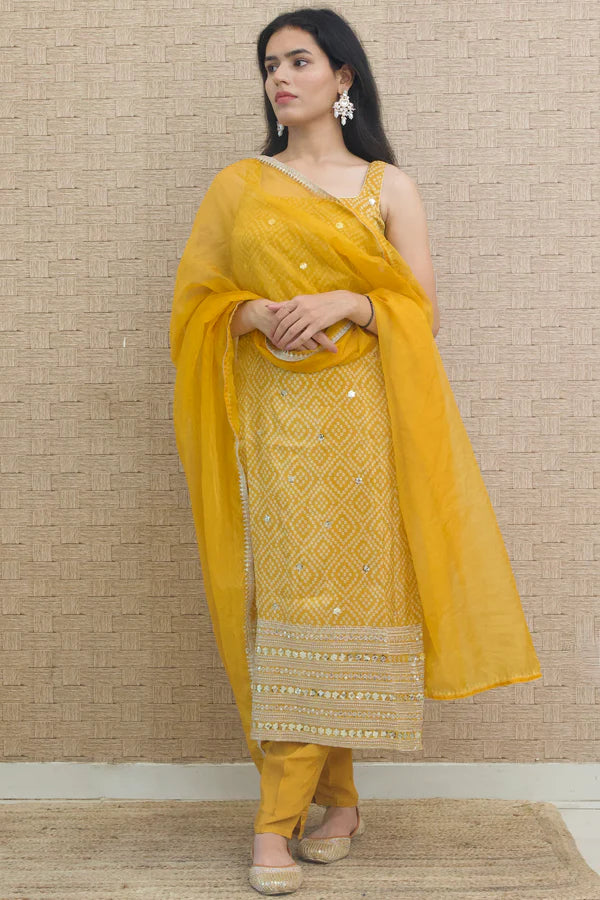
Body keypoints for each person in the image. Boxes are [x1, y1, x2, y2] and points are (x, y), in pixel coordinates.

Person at [169, 8, 542, 895]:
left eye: (299, 61)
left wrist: (349, 300)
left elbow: (421, 313)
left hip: (363, 425)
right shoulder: (238, 187)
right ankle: (314, 807)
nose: (280, 77)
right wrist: (250, 314)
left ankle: (305, 812)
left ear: (343, 77)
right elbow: (194, 304)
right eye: (270, 64)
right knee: (290, 605)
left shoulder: (388, 187)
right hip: (273, 422)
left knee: (344, 603)